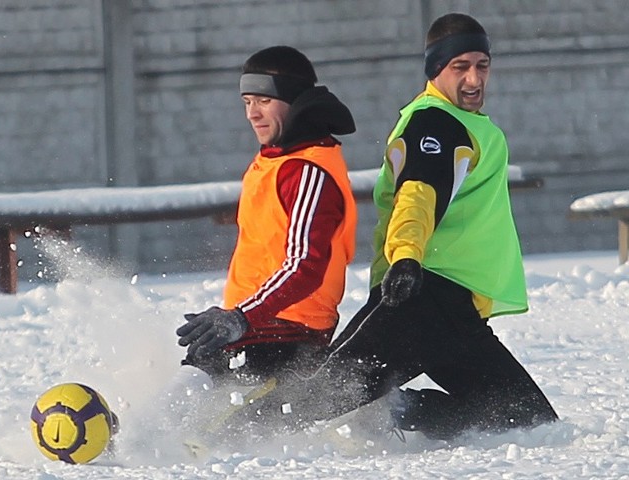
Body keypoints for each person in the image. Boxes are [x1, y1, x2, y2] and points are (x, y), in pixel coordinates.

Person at [225, 13, 558, 441]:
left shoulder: (467, 125)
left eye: (482, 65)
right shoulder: (435, 124)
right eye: (460, 67)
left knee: (528, 421)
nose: (474, 78)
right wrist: (405, 258)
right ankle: (214, 435)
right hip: (421, 295)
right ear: (436, 69)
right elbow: (417, 195)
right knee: (318, 396)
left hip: (459, 313)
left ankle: (390, 411)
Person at [176, 46, 357, 387]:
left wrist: (242, 318)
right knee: (196, 376)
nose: (252, 114)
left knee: (205, 403)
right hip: (255, 324)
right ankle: (137, 435)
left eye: (263, 100)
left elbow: (305, 266)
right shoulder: (275, 160)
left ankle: (137, 437)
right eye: (247, 102)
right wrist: (238, 318)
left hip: (289, 333)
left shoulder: (307, 170)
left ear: (295, 102)